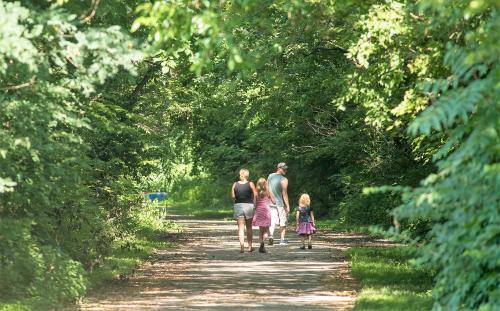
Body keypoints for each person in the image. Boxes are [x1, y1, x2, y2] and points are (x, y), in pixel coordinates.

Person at [231, 168, 257, 253]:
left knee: (240, 228)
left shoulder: (235, 184)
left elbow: (233, 196)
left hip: (238, 205)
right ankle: (249, 247)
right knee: (249, 227)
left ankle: (242, 247)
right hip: (248, 206)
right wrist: (254, 204)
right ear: (247, 175)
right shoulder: (251, 184)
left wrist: (235, 203)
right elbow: (255, 194)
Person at [267, 162, 290, 245]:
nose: (285, 170)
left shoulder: (270, 176)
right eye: (284, 169)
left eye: (286, 169)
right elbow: (284, 194)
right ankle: (282, 240)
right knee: (283, 220)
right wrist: (287, 206)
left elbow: (267, 188)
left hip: (270, 202)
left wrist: (271, 196)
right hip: (279, 203)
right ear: (279, 168)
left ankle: (271, 236)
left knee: (272, 220)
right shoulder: (284, 179)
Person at [252, 177, 275, 253]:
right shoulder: (268, 192)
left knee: (260, 231)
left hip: (259, 211)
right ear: (266, 184)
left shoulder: (256, 193)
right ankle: (263, 244)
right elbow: (274, 202)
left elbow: (254, 204)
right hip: (266, 212)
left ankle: (261, 243)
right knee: (266, 231)